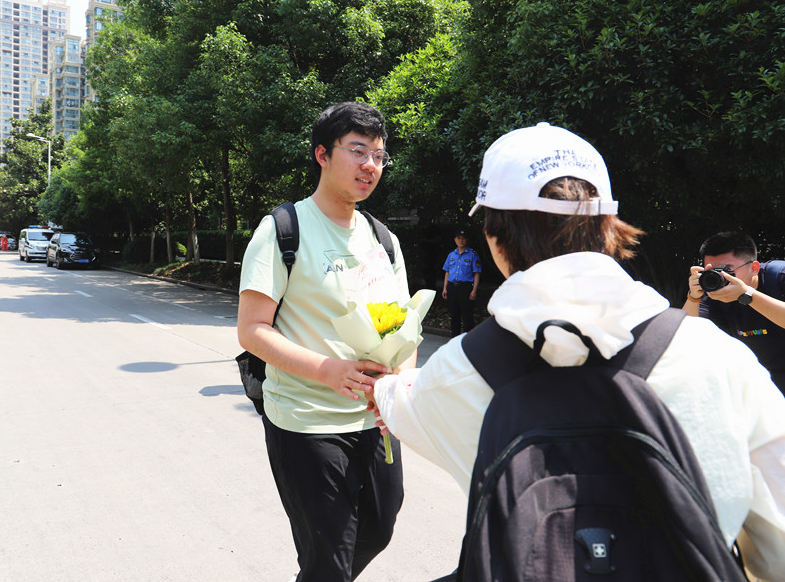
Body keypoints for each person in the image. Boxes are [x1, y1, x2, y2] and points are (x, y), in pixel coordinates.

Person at [368, 122, 785, 580]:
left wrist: (381, 383)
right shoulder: (719, 359)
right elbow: (777, 548)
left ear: (492, 232)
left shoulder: (454, 374)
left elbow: (399, 400)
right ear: (609, 224)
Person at [237, 101, 412, 582]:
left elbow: (402, 329)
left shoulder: (383, 240)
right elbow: (252, 330)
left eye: (379, 155)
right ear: (322, 155)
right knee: (329, 558)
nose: (370, 165)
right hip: (306, 420)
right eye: (357, 151)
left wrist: (400, 385)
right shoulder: (282, 230)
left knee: (379, 528)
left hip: (374, 419)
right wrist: (327, 371)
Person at [682, 231, 785, 396]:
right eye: (712, 271)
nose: (720, 277)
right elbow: (685, 337)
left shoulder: (779, 276)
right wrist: (693, 297)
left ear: (754, 268)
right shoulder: (716, 294)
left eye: (727, 270)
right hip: (761, 387)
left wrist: (747, 295)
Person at [442, 229, 481, 337]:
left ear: (467, 240)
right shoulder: (451, 255)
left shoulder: (473, 254)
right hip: (452, 288)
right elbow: (447, 272)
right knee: (454, 315)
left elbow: (477, 273)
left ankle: (469, 339)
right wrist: (445, 288)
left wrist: (474, 290)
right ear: (455, 240)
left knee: (467, 315)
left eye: (463, 238)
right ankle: (455, 338)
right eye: (458, 238)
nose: (461, 240)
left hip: (465, 288)